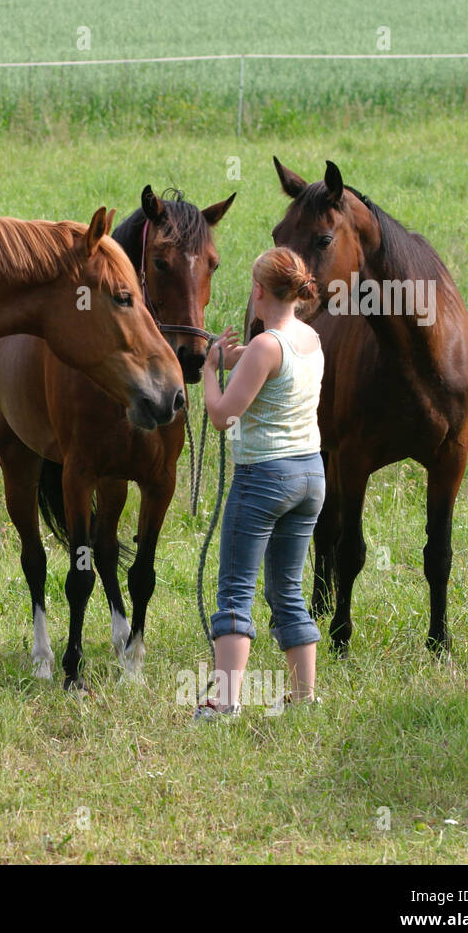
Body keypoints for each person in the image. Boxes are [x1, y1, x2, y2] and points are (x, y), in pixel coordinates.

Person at [197, 247, 326, 719]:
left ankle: (223, 703)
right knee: (287, 590)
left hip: (264, 477)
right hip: (310, 475)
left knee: (234, 588)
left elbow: (222, 416)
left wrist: (212, 369)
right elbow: (272, 383)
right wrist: (240, 360)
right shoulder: (310, 337)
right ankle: (302, 698)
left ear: (257, 291)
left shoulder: (266, 345)